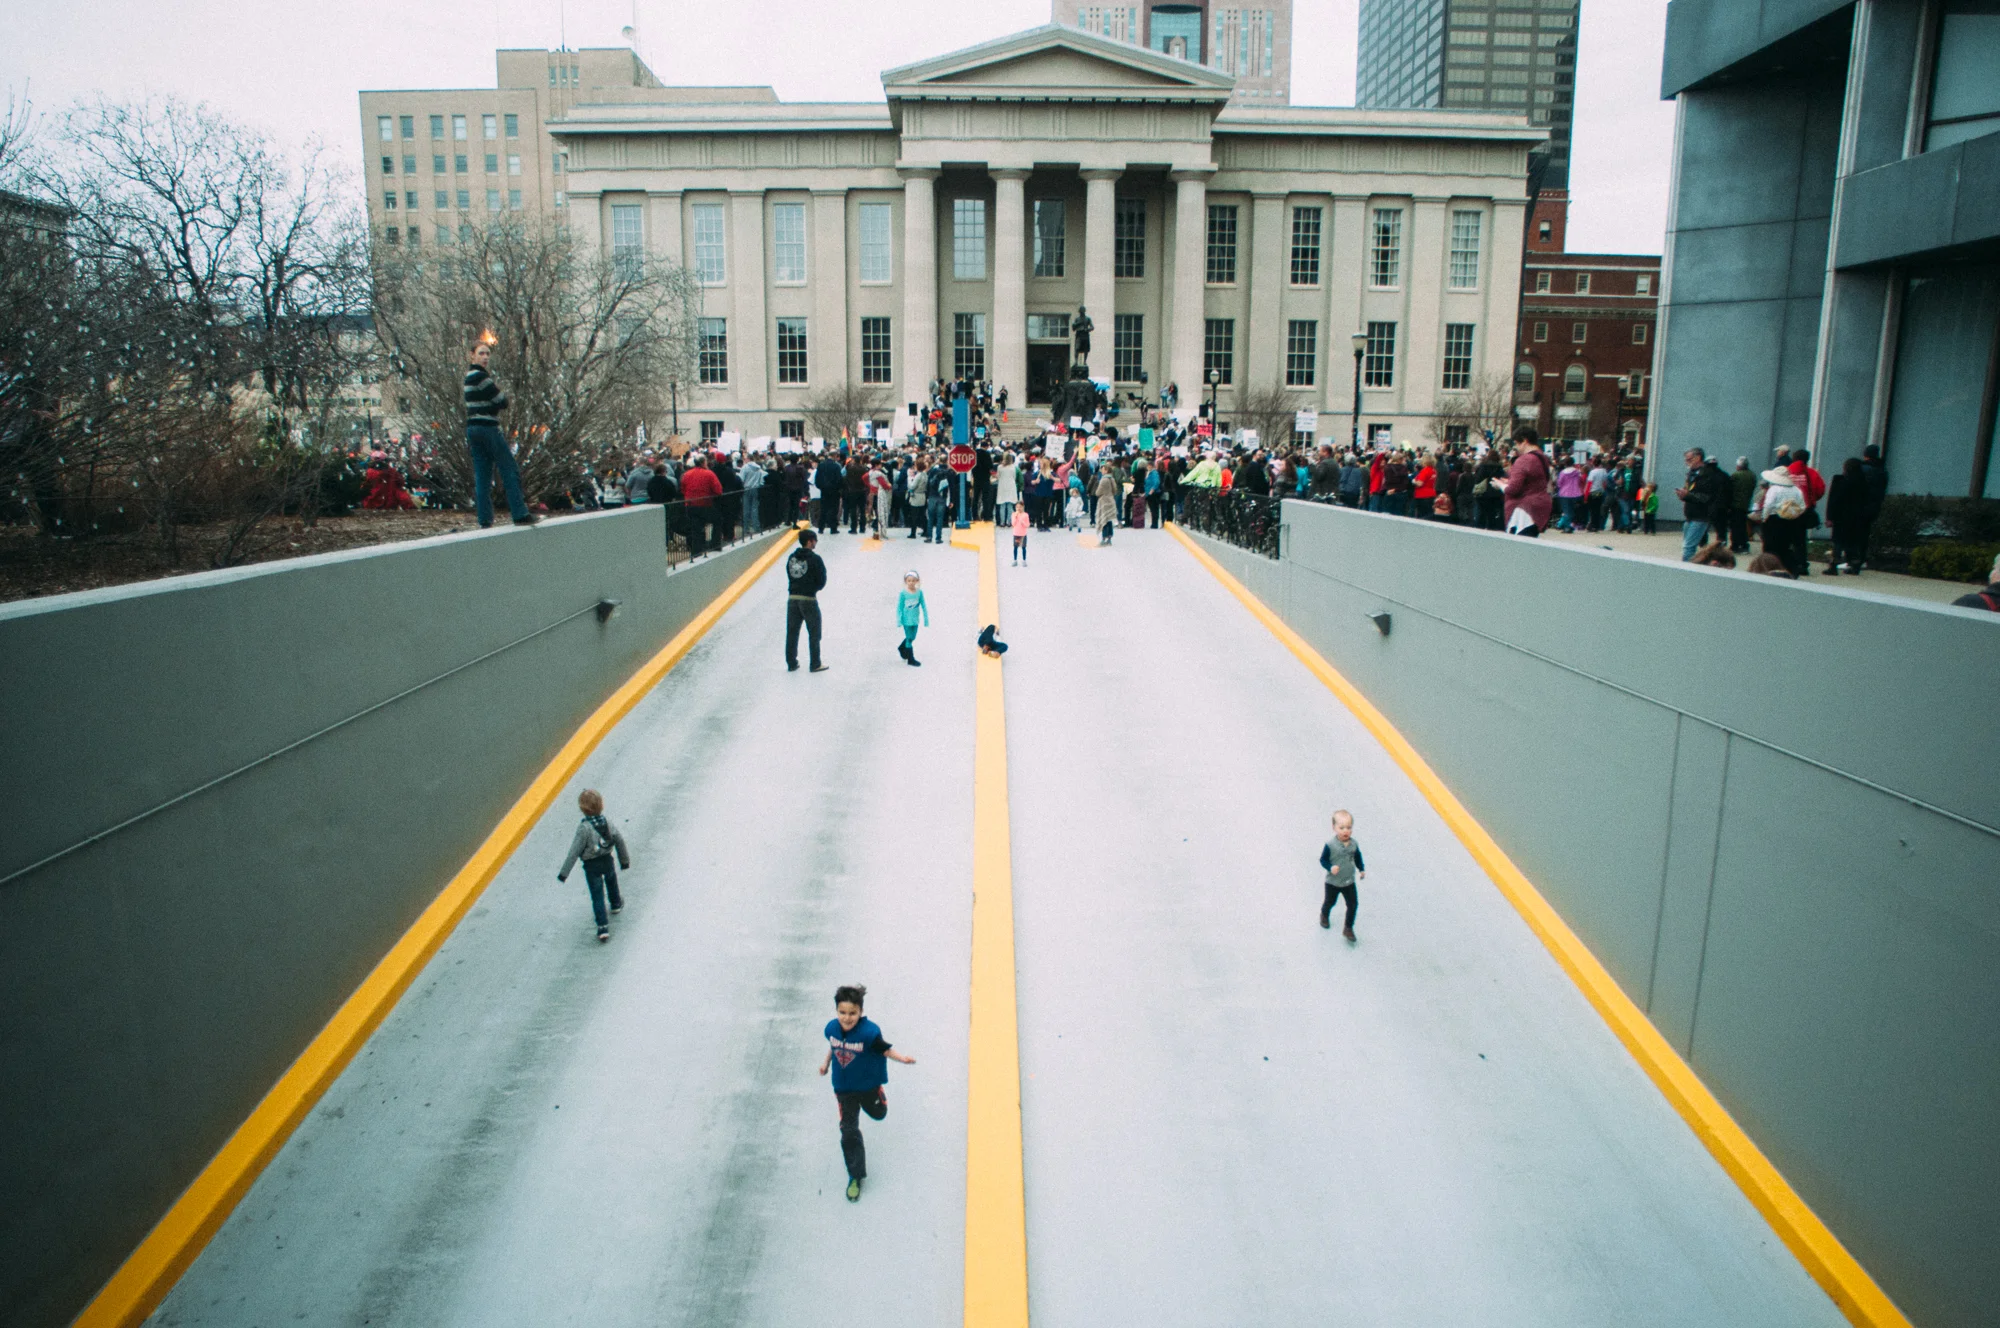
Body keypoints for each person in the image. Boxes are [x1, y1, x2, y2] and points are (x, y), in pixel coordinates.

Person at [818, 984, 916, 1202]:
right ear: (836, 1012)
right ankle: (855, 1175)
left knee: (879, 1114)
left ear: (860, 1012)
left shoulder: (869, 1033)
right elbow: (833, 1048)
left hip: (868, 1086)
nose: (847, 1017)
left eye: (852, 1013)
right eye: (842, 1012)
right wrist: (825, 1065)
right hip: (844, 1089)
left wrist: (903, 1059)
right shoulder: (831, 1029)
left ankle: (879, 1096)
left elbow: (884, 1049)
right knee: (848, 1131)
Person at [463, 340, 538, 528]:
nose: (486, 357)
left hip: (472, 428)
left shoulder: (468, 377)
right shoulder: (481, 377)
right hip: (487, 427)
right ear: (472, 355)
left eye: (487, 354)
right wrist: (497, 402)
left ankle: (485, 519)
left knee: (482, 475)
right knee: (508, 468)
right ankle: (520, 513)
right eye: (481, 353)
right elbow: (502, 401)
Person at [556, 788, 631, 944]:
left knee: (597, 895)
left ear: (582, 809)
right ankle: (616, 903)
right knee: (612, 882)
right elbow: (619, 840)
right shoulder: (607, 823)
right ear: (601, 805)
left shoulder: (584, 829)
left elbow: (574, 851)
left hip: (591, 866)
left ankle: (602, 927)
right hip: (607, 860)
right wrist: (624, 860)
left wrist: (564, 873)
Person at [1317, 808, 1366, 942]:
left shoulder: (1353, 844)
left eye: (1349, 827)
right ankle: (1324, 914)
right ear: (1334, 828)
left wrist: (1361, 869)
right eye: (1342, 827)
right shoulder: (1330, 845)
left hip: (1349, 882)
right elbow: (1323, 860)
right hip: (1332, 882)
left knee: (1353, 904)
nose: (1345, 831)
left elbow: (1357, 857)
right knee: (1330, 902)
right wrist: (1330, 867)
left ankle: (1348, 928)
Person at [785, 528, 829, 673]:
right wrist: (812, 588)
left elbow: (789, 573)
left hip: (792, 598)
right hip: (808, 599)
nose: (816, 542)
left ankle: (791, 662)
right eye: (815, 540)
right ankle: (815, 663)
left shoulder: (792, 557)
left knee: (792, 632)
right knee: (814, 632)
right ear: (810, 541)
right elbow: (822, 580)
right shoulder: (815, 559)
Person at [1675, 448, 1730, 561]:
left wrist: (1688, 495)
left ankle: (1687, 571)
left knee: (1689, 547)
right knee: (1688, 546)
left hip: (1701, 515)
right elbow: (1692, 492)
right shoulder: (1692, 474)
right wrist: (1683, 495)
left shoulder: (1707, 474)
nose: (1686, 462)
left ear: (1698, 457)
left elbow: (1706, 497)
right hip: (1690, 514)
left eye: (1689, 459)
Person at [1501, 429, 1552, 536]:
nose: (1516, 447)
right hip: (1539, 506)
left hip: (1523, 511)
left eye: (1516, 443)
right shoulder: (1543, 458)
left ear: (1524, 441)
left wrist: (1501, 485)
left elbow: (1513, 489)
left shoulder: (1524, 460)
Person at [1825, 457, 1870, 575]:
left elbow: (1833, 500)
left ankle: (1833, 566)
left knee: (1838, 542)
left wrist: (1829, 517)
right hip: (1856, 517)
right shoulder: (1863, 482)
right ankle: (1854, 565)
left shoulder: (1839, 480)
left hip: (1840, 516)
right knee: (1853, 542)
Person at [680, 455, 722, 556]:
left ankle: (696, 550)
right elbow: (718, 490)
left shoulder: (686, 474)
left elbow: (682, 489)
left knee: (695, 527)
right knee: (718, 520)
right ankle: (715, 544)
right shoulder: (709, 474)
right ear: (704, 463)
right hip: (705, 504)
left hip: (690, 505)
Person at [896, 570, 928, 666]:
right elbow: (899, 607)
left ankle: (902, 647)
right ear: (906, 581)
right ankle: (911, 659)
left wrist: (926, 619)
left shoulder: (919, 593)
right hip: (906, 620)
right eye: (909, 580)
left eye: (913, 580)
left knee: (913, 637)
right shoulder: (903, 594)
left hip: (915, 619)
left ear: (917, 581)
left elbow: (923, 605)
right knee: (909, 638)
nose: (911, 582)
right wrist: (899, 619)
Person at [1727, 457, 1757, 552]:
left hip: (1735, 504)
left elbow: (1729, 489)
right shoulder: (1752, 475)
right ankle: (1744, 545)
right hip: (1745, 504)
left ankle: (1735, 545)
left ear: (1739, 466)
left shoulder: (1735, 475)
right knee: (1743, 525)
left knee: (1735, 526)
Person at [1094, 462, 1121, 545]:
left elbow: (1098, 492)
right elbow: (1115, 490)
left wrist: (1097, 493)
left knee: (1104, 520)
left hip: (1104, 502)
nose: (1101, 471)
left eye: (1102, 469)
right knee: (1109, 520)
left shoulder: (1104, 479)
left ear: (1106, 470)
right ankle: (1109, 538)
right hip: (1111, 500)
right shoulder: (1111, 478)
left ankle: (1104, 538)